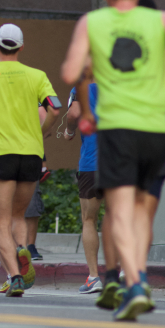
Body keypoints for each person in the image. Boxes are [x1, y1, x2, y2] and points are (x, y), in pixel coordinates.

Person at [61, 0, 165, 320]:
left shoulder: (94, 25)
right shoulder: (163, 26)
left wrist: (87, 113)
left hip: (117, 135)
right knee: (143, 214)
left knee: (117, 212)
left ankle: (124, 281)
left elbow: (73, 72)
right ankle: (134, 276)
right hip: (156, 135)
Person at [0, 23, 60, 298]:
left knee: (2, 222)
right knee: (19, 215)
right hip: (31, 154)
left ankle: (16, 276)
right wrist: (40, 133)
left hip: (1, 155)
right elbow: (55, 108)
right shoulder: (37, 76)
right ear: (21, 47)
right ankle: (23, 248)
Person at [63, 68, 103, 294]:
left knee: (89, 220)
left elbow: (73, 114)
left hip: (92, 161)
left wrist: (69, 131)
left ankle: (94, 277)